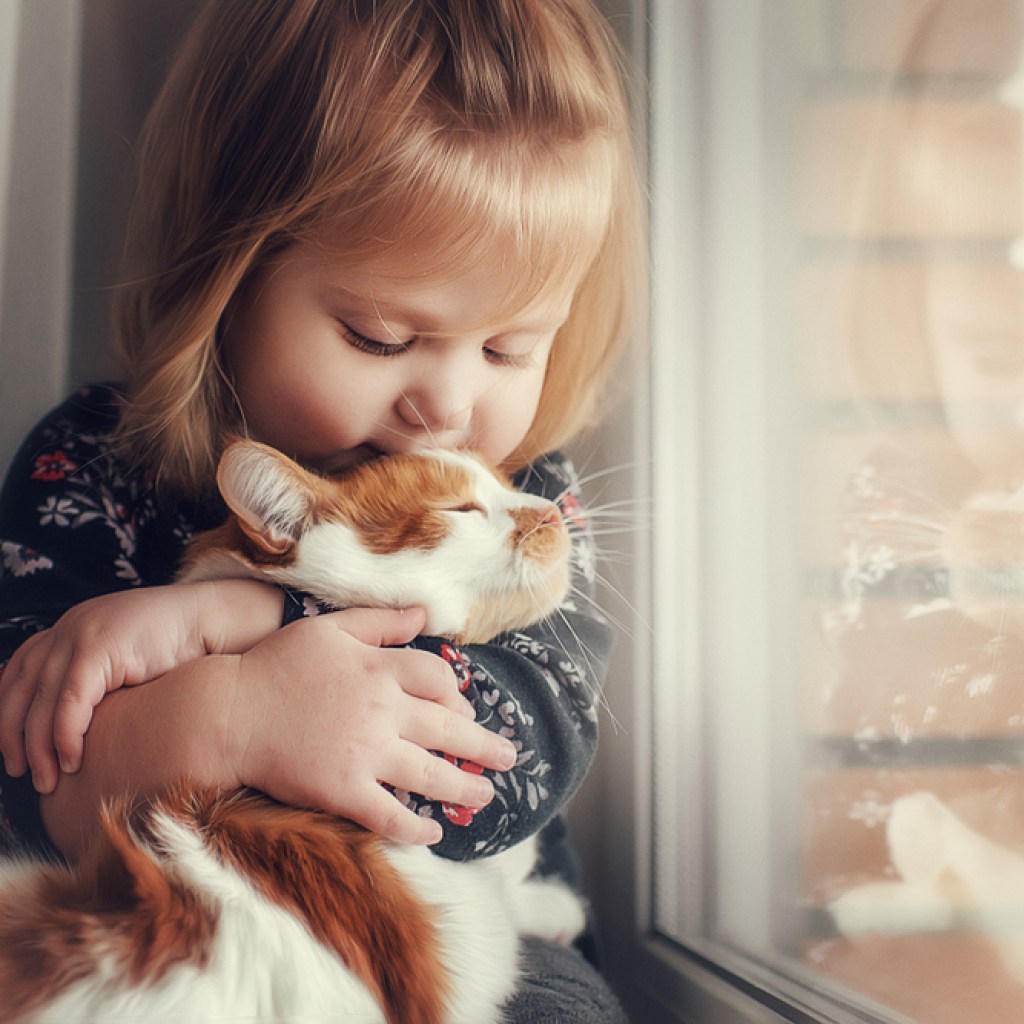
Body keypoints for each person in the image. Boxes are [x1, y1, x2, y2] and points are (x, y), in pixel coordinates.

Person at [0, 1, 641, 1019]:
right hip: (177, 926)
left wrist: (248, 623)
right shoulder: (94, 468)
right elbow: (23, 772)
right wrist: (226, 718)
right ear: (228, 275)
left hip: (466, 940)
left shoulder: (523, 499)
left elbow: (515, 768)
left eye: (510, 348)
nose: (449, 408)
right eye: (382, 337)